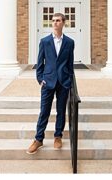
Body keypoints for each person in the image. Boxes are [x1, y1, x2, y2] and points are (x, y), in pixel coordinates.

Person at [28, 12, 75, 154]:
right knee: (44, 111)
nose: (55, 23)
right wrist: (40, 79)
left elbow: (70, 64)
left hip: (63, 82)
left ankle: (58, 136)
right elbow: (40, 62)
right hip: (47, 82)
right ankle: (38, 139)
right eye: (53, 20)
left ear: (63, 23)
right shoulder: (45, 41)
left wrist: (69, 82)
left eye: (58, 20)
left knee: (61, 111)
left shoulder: (69, 42)